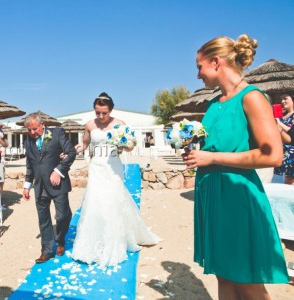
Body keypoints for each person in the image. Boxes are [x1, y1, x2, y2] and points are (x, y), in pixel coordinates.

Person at [183, 34, 288, 298]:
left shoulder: (252, 97)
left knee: (247, 281)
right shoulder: (214, 104)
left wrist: (213, 158)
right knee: (223, 273)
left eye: (200, 66)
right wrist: (197, 154)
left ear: (216, 62)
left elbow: (273, 155)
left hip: (238, 198)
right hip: (213, 196)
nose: (198, 75)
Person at [70, 92, 161, 267]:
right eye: (97, 112)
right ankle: (93, 243)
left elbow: (130, 146)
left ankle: (114, 242)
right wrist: (71, 151)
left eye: (104, 112)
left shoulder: (120, 124)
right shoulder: (89, 125)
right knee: (95, 202)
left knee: (112, 202)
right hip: (97, 166)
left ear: (111, 110)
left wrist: (125, 144)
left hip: (113, 166)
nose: (101, 116)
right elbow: (85, 144)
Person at [23, 113, 76, 263]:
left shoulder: (57, 133)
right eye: (29, 130)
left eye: (34, 129)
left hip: (58, 183)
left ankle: (60, 241)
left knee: (63, 216)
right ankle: (46, 250)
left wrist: (58, 170)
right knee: (43, 220)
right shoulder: (28, 141)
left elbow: (71, 152)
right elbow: (30, 165)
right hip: (39, 186)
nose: (32, 133)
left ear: (42, 125)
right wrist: (27, 185)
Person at [274, 94, 294, 184]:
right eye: (281, 99)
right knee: (282, 183)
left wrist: (278, 122)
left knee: (290, 181)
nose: (282, 101)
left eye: (285, 99)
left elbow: (292, 132)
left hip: (291, 153)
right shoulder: (282, 116)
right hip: (281, 151)